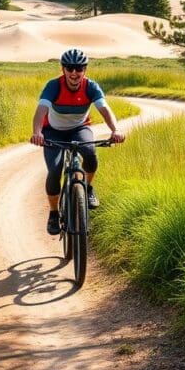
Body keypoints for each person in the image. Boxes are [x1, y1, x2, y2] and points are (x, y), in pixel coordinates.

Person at [30, 48, 126, 235]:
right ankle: (53, 213)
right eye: (70, 68)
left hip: (79, 128)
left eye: (79, 68)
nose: (74, 72)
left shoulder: (91, 87)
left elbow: (105, 109)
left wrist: (116, 130)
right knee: (55, 169)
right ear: (63, 69)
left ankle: (88, 189)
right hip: (53, 131)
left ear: (85, 69)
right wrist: (37, 132)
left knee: (90, 153)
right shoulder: (54, 86)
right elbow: (41, 110)